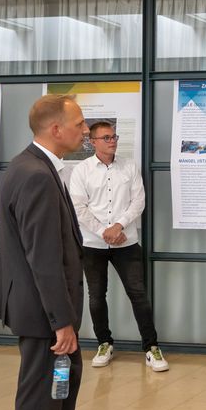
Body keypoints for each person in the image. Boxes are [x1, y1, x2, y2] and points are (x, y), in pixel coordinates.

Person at [0, 95, 90, 410]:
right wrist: (60, 321)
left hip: (42, 304)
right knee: (42, 387)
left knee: (64, 380)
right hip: (41, 308)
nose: (85, 130)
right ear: (56, 130)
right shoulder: (35, 174)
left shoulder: (34, 165)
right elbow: (43, 256)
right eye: (79, 124)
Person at [68, 122, 168, 372]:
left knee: (138, 295)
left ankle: (151, 347)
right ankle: (104, 343)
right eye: (106, 137)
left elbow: (139, 201)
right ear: (93, 142)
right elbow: (79, 207)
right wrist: (104, 231)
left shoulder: (129, 166)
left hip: (127, 242)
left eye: (114, 136)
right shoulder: (81, 170)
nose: (112, 141)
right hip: (93, 243)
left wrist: (119, 226)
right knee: (96, 296)